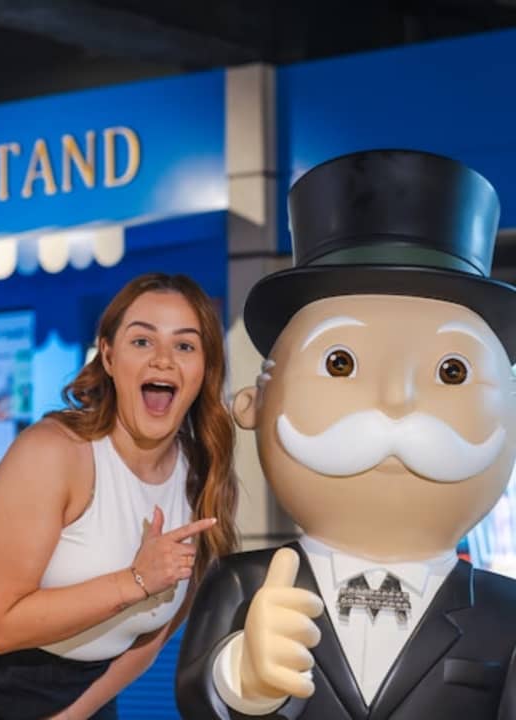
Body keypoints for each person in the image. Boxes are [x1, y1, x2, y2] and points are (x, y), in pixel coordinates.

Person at [176, 150, 516, 719]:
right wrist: (241, 680)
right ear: (252, 404)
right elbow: (197, 698)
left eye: (452, 371)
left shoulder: (506, 612)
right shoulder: (241, 584)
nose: (395, 401)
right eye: (340, 363)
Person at [0, 272, 238, 720]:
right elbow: (0, 626)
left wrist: (71, 716)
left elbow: (151, 638)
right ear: (108, 356)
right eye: (142, 341)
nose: (163, 360)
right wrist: (136, 580)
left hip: (69, 688)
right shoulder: (54, 452)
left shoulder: (204, 479)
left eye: (185, 346)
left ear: (205, 368)